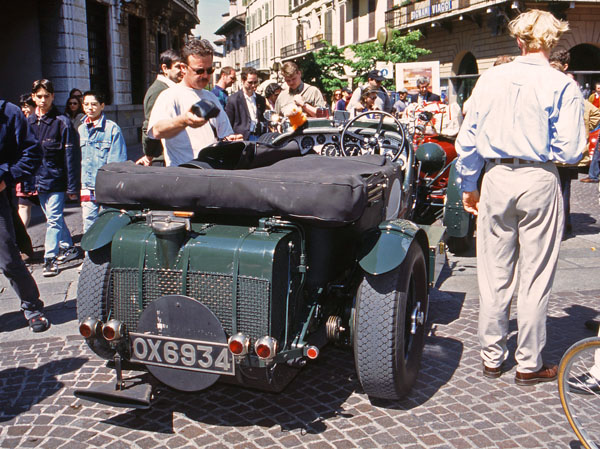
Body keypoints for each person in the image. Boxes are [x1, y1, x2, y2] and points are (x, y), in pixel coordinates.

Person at [455, 9, 586, 385]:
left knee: (494, 273)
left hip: (496, 175)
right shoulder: (561, 85)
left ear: (518, 40)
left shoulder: (491, 78)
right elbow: (571, 150)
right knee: (535, 275)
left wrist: (469, 184)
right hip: (538, 177)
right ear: (553, 41)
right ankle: (529, 363)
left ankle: (492, 356)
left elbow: (468, 140)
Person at [147, 38, 241, 167]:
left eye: (210, 70)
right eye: (199, 71)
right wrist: (184, 121)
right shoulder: (169, 96)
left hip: (211, 171)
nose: (206, 76)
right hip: (184, 173)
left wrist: (229, 140)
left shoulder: (211, 97)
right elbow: (156, 131)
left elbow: (224, 133)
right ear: (183, 68)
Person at [0, 98, 50, 332]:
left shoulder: (9, 113)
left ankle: (32, 306)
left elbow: (32, 153)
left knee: (9, 258)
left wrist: (6, 178)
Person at [28, 79, 81, 277]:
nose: (42, 100)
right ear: (33, 97)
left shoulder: (62, 122)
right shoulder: (29, 122)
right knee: (53, 217)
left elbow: (71, 157)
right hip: (38, 179)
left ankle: (50, 258)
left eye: (46, 96)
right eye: (39, 96)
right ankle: (68, 247)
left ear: (53, 96)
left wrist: (72, 186)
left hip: (57, 179)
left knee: (54, 218)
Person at [550, 50, 600, 235]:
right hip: (571, 149)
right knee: (564, 187)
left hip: (553, 150)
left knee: (556, 187)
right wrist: (584, 128)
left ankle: (558, 225)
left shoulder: (557, 87)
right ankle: (565, 222)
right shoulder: (573, 88)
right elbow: (594, 113)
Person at [78, 91, 127, 232]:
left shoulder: (112, 129)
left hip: (106, 186)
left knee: (108, 222)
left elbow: (118, 161)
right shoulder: (80, 129)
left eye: (94, 104)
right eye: (86, 104)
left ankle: (106, 253)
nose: (90, 108)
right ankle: (90, 254)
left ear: (102, 106)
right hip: (87, 185)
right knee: (88, 222)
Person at [137, 49, 183, 167]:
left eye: (184, 67)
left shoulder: (171, 89)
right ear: (165, 68)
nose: (182, 71)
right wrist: (149, 155)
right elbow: (149, 127)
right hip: (162, 159)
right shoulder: (159, 90)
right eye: (178, 67)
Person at [225, 67, 267, 141]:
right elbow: (228, 123)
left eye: (255, 82)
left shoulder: (261, 99)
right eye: (250, 82)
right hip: (242, 138)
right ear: (243, 81)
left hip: (259, 137)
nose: (253, 85)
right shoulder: (233, 100)